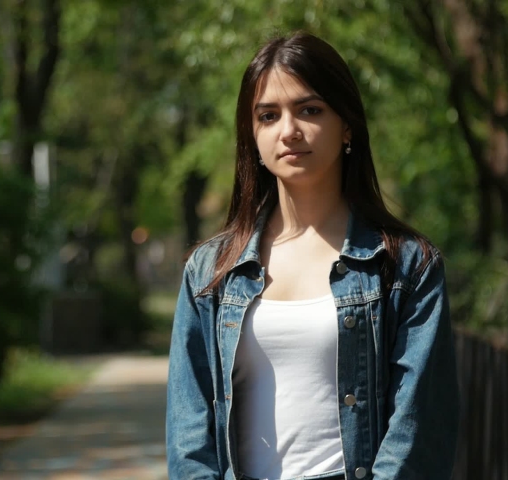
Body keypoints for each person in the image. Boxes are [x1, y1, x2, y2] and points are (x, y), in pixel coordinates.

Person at [165, 31, 459, 480]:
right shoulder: (210, 272)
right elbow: (189, 437)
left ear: (347, 126)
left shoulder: (406, 266)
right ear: (253, 137)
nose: (289, 131)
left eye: (310, 110)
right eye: (268, 115)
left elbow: (419, 428)